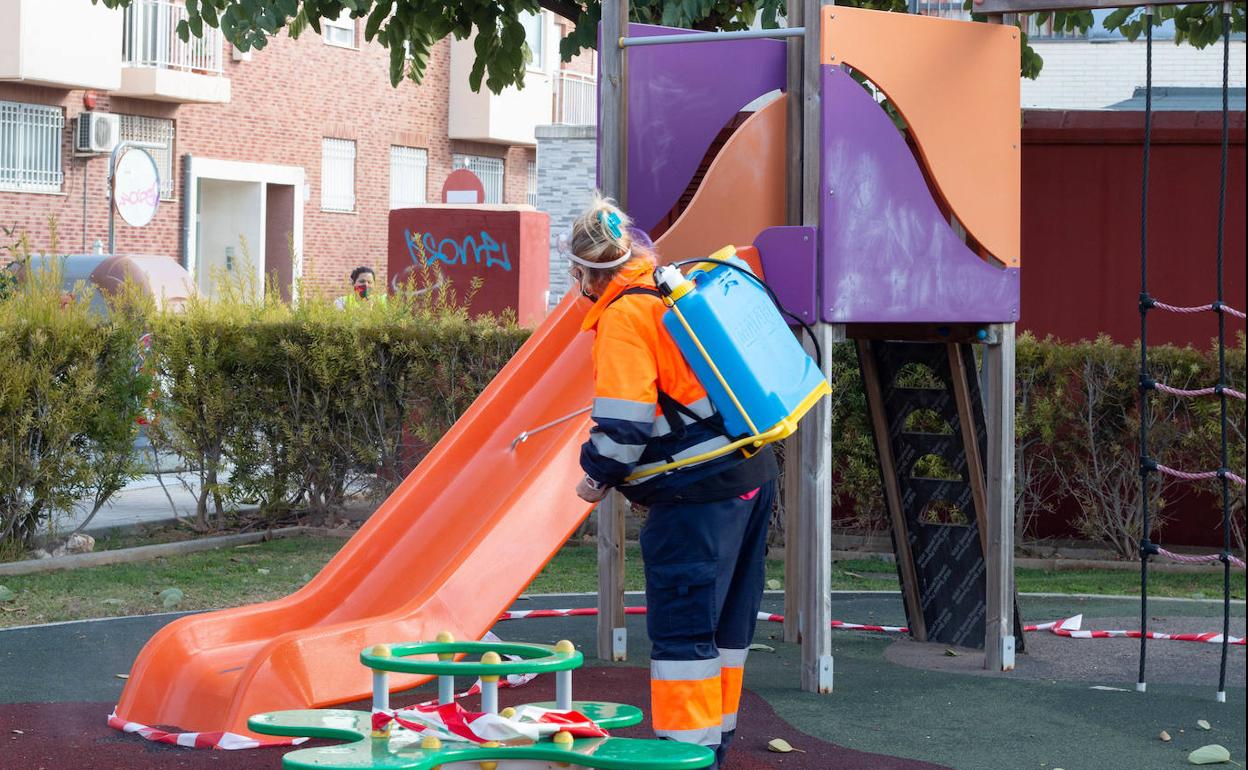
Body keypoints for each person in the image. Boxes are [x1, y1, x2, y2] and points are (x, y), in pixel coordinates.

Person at [567, 193, 778, 769]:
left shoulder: (622, 317)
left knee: (685, 638)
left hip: (695, 498)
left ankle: (687, 759)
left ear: (587, 270)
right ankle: (717, 746)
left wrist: (594, 476)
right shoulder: (673, 286)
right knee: (728, 632)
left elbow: (624, 426)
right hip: (751, 475)